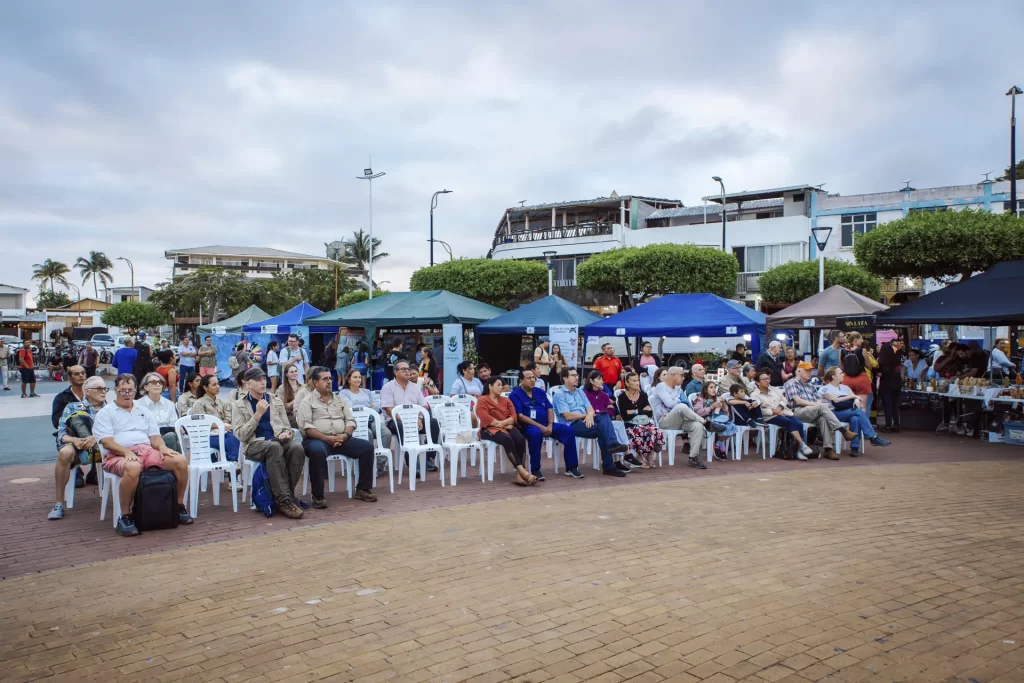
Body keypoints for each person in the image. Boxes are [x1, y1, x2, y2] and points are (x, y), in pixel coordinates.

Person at [93, 374, 193, 536]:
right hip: (117, 453)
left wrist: (162, 448)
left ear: (135, 391)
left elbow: (155, 437)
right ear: (115, 390)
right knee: (133, 467)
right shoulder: (106, 413)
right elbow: (106, 442)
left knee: (180, 461)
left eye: (130, 390)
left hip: (146, 450)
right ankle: (125, 517)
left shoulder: (143, 411)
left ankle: (178, 506)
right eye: (123, 390)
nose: (127, 394)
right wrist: (126, 452)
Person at [297, 366, 377, 507]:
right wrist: (326, 438)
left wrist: (346, 435)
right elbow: (307, 427)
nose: (329, 382)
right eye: (325, 379)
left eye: (330, 378)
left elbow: (351, 421)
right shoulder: (307, 401)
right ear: (315, 382)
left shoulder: (339, 399)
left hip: (342, 439)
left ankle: (362, 489)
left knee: (367, 447)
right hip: (317, 440)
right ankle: (318, 496)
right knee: (317, 452)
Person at [232, 367, 306, 519]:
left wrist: (287, 433)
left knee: (297, 448)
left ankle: (287, 497)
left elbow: (286, 426)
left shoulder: (275, 400)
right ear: (248, 384)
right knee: (274, 447)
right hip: (254, 444)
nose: (263, 382)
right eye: (258, 380)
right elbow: (241, 435)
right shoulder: (238, 405)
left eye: (264, 379)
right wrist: (257, 415)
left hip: (277, 440)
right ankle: (284, 500)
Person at [48, 376, 109, 520]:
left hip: (103, 448)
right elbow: (61, 433)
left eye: (105, 388)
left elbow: (116, 432)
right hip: (79, 446)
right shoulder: (72, 407)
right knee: (65, 452)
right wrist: (73, 440)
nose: (103, 391)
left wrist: (95, 437)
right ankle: (58, 503)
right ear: (87, 391)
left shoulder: (110, 409)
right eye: (99, 388)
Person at [553, 367, 629, 477]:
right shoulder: (560, 394)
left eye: (577, 375)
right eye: (573, 375)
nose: (576, 377)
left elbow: (590, 409)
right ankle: (609, 463)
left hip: (585, 421)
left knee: (603, 416)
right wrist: (587, 415)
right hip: (570, 425)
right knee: (603, 428)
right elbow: (567, 416)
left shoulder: (579, 391)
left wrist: (589, 414)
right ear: (565, 378)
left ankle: (611, 454)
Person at [508, 367, 583, 480]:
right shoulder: (515, 394)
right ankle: (536, 469)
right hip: (528, 426)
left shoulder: (540, 391)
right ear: (521, 380)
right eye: (529, 378)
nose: (533, 380)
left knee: (568, 431)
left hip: (547, 424)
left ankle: (571, 468)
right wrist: (541, 427)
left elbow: (549, 409)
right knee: (536, 434)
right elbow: (520, 416)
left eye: (533, 377)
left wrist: (550, 424)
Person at [783, 362, 858, 461]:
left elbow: (819, 400)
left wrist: (818, 405)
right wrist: (817, 405)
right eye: (807, 370)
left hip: (812, 411)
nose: (810, 373)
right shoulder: (791, 383)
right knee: (822, 408)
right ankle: (843, 431)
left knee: (823, 417)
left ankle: (828, 449)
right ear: (799, 371)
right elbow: (798, 401)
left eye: (810, 371)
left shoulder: (811, 386)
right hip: (797, 411)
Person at [380, 359, 441, 472]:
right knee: (403, 426)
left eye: (408, 369)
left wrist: (419, 418)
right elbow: (389, 409)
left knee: (433, 423)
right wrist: (406, 420)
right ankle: (412, 462)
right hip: (395, 421)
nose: (407, 372)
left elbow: (423, 406)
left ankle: (428, 458)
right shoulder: (388, 387)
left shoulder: (415, 387)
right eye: (403, 369)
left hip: (415, 419)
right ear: (395, 372)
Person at [477, 376, 536, 485]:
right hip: (488, 429)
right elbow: (485, 418)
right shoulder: (482, 400)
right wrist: (504, 424)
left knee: (520, 438)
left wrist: (502, 424)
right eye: (498, 385)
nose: (501, 388)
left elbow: (513, 417)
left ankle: (519, 475)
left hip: (506, 426)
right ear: (490, 386)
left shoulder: (506, 400)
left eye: (502, 386)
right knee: (506, 438)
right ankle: (523, 471)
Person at [650, 366, 713, 468]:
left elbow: (687, 404)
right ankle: (705, 422)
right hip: (664, 420)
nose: (683, 378)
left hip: (679, 419)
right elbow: (670, 404)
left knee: (697, 426)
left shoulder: (678, 389)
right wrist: (678, 401)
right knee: (680, 406)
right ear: (673, 375)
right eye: (681, 375)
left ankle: (693, 457)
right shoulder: (661, 386)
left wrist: (676, 401)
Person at [819, 367, 890, 455]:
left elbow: (856, 399)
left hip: (846, 412)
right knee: (858, 412)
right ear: (833, 376)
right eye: (840, 373)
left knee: (855, 418)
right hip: (832, 414)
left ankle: (854, 447)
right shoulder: (825, 389)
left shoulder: (845, 388)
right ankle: (872, 436)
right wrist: (852, 397)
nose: (843, 374)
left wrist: (856, 400)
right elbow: (836, 400)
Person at [752, 370, 815, 459]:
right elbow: (760, 410)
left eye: (768, 379)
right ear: (757, 382)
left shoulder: (775, 389)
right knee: (788, 422)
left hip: (784, 411)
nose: (767, 381)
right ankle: (801, 445)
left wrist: (780, 407)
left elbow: (784, 399)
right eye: (764, 379)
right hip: (770, 416)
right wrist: (773, 411)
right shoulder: (754, 395)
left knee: (799, 424)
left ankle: (797, 451)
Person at [51, 364, 96, 490]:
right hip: (71, 435)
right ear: (69, 378)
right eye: (76, 374)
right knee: (68, 449)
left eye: (83, 373)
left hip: (92, 434)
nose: (81, 375)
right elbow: (56, 422)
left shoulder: (94, 393)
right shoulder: (61, 398)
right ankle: (76, 472)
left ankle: (95, 472)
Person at [339, 367, 393, 471]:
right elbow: (350, 408)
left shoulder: (367, 391)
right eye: (355, 377)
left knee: (386, 433)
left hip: (372, 420)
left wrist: (363, 406)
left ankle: (379, 466)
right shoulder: (344, 393)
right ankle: (367, 466)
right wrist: (368, 405)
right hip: (355, 423)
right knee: (367, 433)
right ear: (349, 379)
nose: (358, 379)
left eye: (359, 377)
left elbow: (377, 407)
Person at [582, 369, 633, 471]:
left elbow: (612, 411)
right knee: (613, 426)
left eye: (602, 379)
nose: (602, 382)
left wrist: (600, 411)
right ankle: (624, 456)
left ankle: (620, 457)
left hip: (606, 420)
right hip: (592, 421)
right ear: (591, 381)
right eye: (599, 379)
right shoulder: (584, 394)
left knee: (618, 424)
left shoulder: (604, 394)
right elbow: (588, 411)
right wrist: (602, 411)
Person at [616, 372, 665, 468]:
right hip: (630, 424)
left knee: (655, 430)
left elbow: (650, 413)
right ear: (627, 383)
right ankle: (641, 456)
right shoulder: (622, 397)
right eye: (634, 381)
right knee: (642, 430)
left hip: (644, 422)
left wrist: (634, 411)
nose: (637, 383)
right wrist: (641, 410)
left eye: (637, 380)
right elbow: (625, 416)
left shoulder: (642, 395)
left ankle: (650, 455)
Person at [191, 375, 241, 466]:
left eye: (218, 384)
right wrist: (221, 426)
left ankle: (231, 464)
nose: (218, 387)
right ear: (205, 387)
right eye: (214, 385)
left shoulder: (223, 402)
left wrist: (224, 425)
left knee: (234, 434)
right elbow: (202, 424)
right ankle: (232, 464)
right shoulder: (199, 404)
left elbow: (228, 418)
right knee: (233, 442)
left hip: (224, 433)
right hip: (206, 437)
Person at [137, 372, 181, 452]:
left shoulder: (169, 404)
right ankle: (174, 462)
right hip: (147, 439)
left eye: (160, 382)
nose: (158, 384)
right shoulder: (138, 405)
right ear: (146, 387)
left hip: (167, 437)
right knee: (172, 439)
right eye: (153, 382)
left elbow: (174, 426)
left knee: (171, 437)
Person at [693, 381, 736, 459]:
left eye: (714, 387)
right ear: (705, 389)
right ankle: (721, 446)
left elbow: (726, 412)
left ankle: (718, 443)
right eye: (711, 387)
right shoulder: (701, 399)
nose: (713, 389)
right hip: (708, 421)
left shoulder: (717, 398)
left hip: (721, 419)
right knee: (723, 426)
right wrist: (711, 407)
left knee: (733, 427)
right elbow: (698, 413)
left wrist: (723, 404)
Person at [840, 332, 874, 417]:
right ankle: (863, 428)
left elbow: (841, 368)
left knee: (848, 406)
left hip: (847, 380)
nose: (862, 341)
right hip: (861, 379)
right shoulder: (863, 350)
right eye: (861, 339)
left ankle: (851, 427)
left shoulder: (842, 351)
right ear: (855, 340)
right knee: (862, 407)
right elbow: (869, 366)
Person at [876, 337, 904, 433]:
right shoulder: (897, 359)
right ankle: (896, 424)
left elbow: (880, 373)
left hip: (886, 384)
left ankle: (888, 425)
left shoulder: (882, 362)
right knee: (894, 405)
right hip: (897, 384)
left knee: (887, 405)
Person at [277, 363, 307, 429]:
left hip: (304, 413)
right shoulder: (282, 388)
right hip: (290, 416)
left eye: (296, 371)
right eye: (292, 372)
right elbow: (283, 407)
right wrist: (297, 398)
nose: (295, 373)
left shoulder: (303, 386)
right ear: (286, 374)